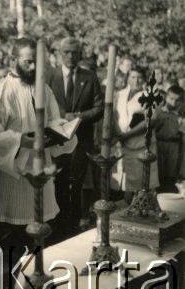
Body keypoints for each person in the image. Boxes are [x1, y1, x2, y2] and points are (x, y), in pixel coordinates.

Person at [0, 38, 77, 289]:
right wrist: (20, 140)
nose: (34, 67)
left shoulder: (43, 89)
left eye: (37, 62)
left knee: (38, 243)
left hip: (40, 176)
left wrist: (63, 132)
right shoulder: (0, 92)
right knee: (7, 251)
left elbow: (54, 121)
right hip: (12, 183)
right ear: (13, 60)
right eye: (28, 61)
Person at [45, 37, 103, 236]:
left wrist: (77, 117)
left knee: (76, 184)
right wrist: (61, 118)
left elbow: (99, 108)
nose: (71, 56)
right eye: (67, 52)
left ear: (81, 54)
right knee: (58, 181)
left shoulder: (90, 77)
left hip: (81, 139)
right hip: (56, 139)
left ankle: (74, 226)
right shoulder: (49, 76)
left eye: (75, 52)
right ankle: (58, 226)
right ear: (60, 54)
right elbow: (41, 105)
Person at [111, 66, 159, 203]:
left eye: (140, 77)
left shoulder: (150, 94)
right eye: (133, 77)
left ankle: (140, 212)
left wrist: (127, 134)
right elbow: (114, 115)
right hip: (121, 142)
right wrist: (119, 133)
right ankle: (125, 211)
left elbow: (151, 120)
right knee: (124, 181)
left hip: (141, 143)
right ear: (127, 78)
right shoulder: (120, 94)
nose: (136, 80)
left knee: (142, 183)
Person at [154, 85, 185, 192]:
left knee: (171, 175)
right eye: (171, 98)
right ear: (166, 97)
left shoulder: (181, 116)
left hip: (174, 147)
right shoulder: (158, 112)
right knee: (159, 173)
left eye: (177, 100)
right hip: (159, 145)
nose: (173, 102)